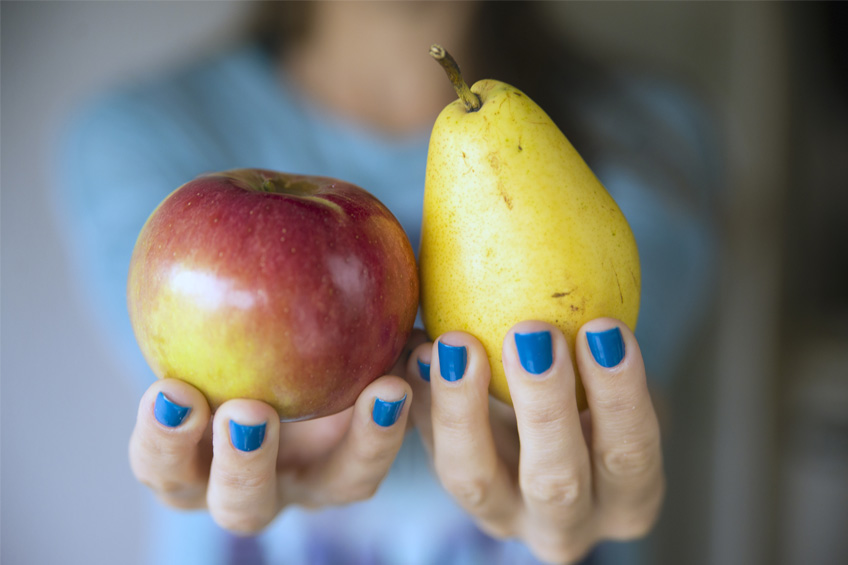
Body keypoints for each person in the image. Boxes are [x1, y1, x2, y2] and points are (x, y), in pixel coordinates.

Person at [56, 2, 718, 564]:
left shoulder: (652, 137)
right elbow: (196, 378)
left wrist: (610, 459)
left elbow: (603, 396)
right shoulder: (137, 135)